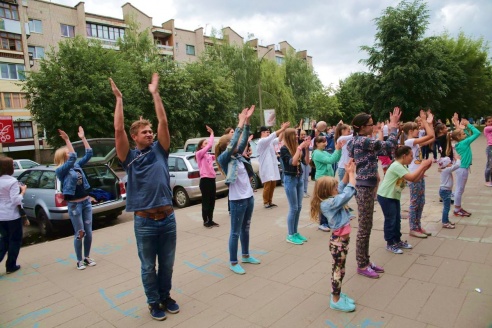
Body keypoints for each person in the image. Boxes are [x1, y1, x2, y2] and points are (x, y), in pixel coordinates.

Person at [110, 74, 179, 321]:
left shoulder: (161, 150)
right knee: (148, 266)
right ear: (135, 137)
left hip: (168, 218)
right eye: (145, 132)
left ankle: (165, 296)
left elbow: (164, 121)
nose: (150, 134)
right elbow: (118, 129)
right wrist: (119, 99)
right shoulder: (129, 158)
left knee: (168, 265)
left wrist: (155, 93)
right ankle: (153, 302)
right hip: (145, 222)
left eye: (151, 131)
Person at [347, 107, 401, 279]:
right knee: (364, 228)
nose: (374, 127)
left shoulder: (358, 141)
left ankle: (365, 260)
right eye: (370, 125)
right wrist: (392, 127)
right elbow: (389, 146)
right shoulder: (362, 141)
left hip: (367, 185)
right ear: (362, 127)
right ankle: (361, 265)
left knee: (367, 226)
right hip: (364, 188)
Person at [216, 105, 261, 275]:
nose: (234, 143)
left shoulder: (239, 156)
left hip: (248, 197)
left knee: (246, 228)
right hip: (237, 201)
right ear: (225, 146)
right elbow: (235, 141)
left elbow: (241, 142)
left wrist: (247, 120)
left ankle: (246, 255)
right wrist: (240, 122)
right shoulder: (224, 158)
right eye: (229, 141)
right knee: (235, 232)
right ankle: (233, 262)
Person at [310, 159, 357, 312]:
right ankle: (335, 300)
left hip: (341, 242)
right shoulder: (329, 203)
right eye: (334, 187)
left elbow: (342, 187)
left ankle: (338, 294)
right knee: (338, 271)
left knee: (340, 270)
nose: (337, 188)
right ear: (328, 191)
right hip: (338, 243)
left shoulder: (331, 198)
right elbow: (348, 192)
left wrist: (346, 170)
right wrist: (351, 174)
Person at [54, 127, 96, 270]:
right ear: (62, 157)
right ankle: (79, 260)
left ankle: (87, 257)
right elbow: (73, 156)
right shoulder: (61, 171)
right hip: (74, 206)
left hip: (85, 202)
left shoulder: (77, 165)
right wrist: (67, 140)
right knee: (80, 233)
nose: (71, 153)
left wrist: (83, 138)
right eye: (67, 152)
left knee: (89, 233)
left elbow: (89, 153)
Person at [377, 146, 432, 254]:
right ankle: (390, 243)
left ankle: (397, 241)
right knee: (391, 220)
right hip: (386, 196)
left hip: (393, 196)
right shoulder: (396, 165)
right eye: (411, 156)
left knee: (397, 220)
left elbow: (415, 179)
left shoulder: (402, 166)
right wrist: (422, 166)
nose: (412, 158)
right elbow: (411, 177)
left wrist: (424, 169)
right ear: (404, 156)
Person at [401, 110, 435, 238]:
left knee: (421, 201)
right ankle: (413, 228)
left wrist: (429, 123)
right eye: (416, 128)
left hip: (420, 173)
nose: (418, 130)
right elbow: (430, 135)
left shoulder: (415, 141)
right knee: (415, 201)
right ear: (410, 131)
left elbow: (432, 137)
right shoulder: (409, 142)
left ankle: (418, 226)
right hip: (413, 175)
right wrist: (425, 121)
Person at [280, 128, 311, 245]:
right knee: (293, 208)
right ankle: (290, 234)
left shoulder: (298, 147)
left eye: (297, 135)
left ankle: (295, 232)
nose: (297, 136)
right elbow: (292, 162)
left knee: (299, 207)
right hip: (290, 179)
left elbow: (306, 162)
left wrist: (306, 149)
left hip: (299, 178)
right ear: (289, 136)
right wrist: (299, 148)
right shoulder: (284, 149)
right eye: (295, 135)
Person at [446, 118, 481, 217]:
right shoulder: (464, 143)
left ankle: (458, 207)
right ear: (459, 137)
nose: (466, 135)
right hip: (462, 169)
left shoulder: (460, 142)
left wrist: (462, 128)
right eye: (463, 134)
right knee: (459, 189)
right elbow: (477, 133)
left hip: (461, 168)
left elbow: (469, 136)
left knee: (460, 189)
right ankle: (457, 209)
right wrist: (469, 125)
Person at [0, 157, 29, 274]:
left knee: (4, 239)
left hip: (1, 216)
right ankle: (11, 265)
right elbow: (15, 200)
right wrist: (23, 191)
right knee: (15, 240)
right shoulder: (12, 181)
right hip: (12, 215)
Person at [312, 135, 343, 232]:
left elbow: (336, 159)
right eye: (323, 142)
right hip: (322, 180)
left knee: (329, 200)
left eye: (325, 142)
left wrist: (339, 149)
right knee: (323, 201)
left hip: (328, 180)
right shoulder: (317, 153)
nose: (325, 144)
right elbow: (330, 160)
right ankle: (323, 223)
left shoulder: (323, 152)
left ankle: (328, 221)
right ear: (317, 143)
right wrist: (337, 149)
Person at [257, 122, 289, 209]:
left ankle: (270, 201)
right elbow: (272, 136)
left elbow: (278, 139)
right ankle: (265, 202)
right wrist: (282, 129)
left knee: (273, 184)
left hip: (272, 165)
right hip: (266, 167)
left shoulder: (269, 142)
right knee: (267, 184)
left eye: (268, 132)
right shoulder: (261, 141)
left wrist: (283, 130)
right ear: (262, 133)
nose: (268, 133)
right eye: (267, 132)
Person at [196, 125, 219, 228]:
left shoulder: (209, 156)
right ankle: (206, 221)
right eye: (204, 144)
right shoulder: (199, 154)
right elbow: (210, 145)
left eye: (206, 143)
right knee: (206, 201)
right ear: (201, 146)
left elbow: (218, 156)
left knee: (212, 201)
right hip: (205, 181)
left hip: (212, 180)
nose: (207, 145)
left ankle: (211, 219)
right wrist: (211, 133)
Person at [438, 156, 461, 229]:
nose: (451, 163)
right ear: (446, 164)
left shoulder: (444, 169)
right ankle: (445, 222)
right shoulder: (447, 170)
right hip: (446, 191)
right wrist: (458, 159)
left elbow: (453, 166)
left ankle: (446, 220)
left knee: (447, 207)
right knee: (446, 208)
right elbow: (457, 166)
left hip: (444, 190)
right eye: (449, 163)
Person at [484, 116, 492, 187]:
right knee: (489, 165)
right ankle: (487, 180)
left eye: (491, 121)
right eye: (489, 121)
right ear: (486, 123)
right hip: (490, 148)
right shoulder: (486, 128)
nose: (490, 123)